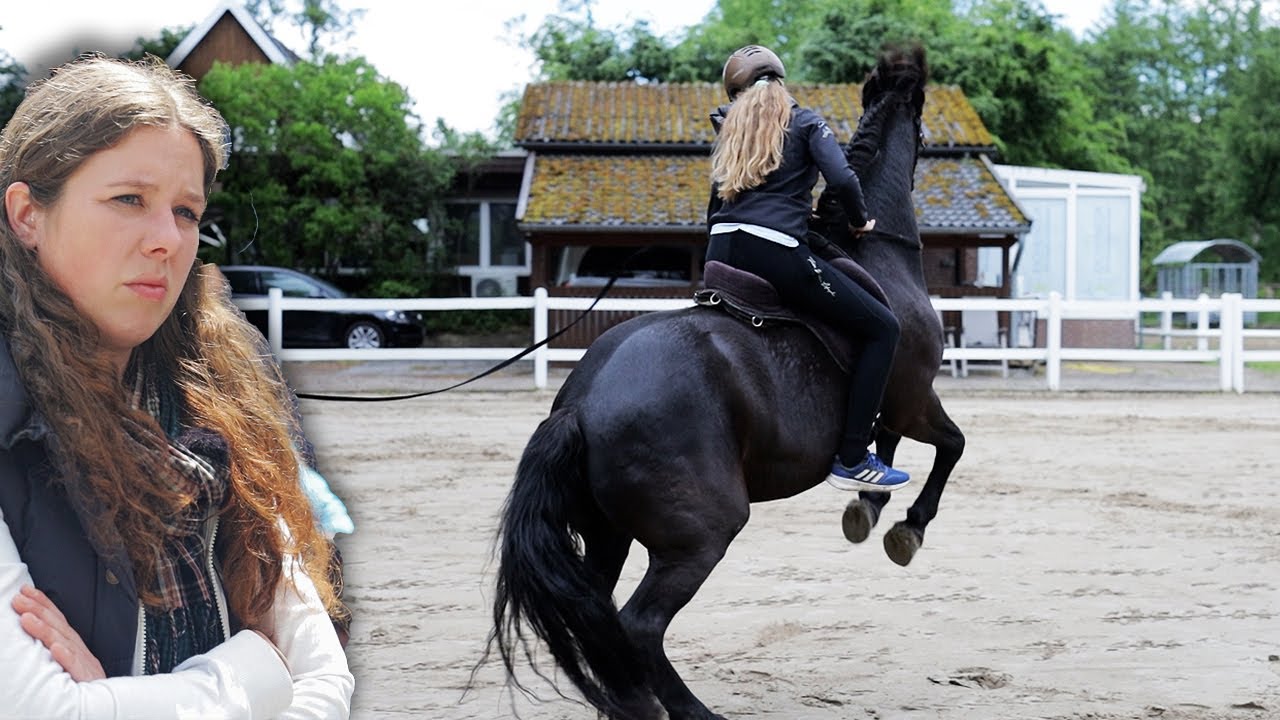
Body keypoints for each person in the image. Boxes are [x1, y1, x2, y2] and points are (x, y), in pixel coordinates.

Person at [0, 55, 353, 717]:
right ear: (27, 215)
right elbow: (45, 713)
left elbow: (326, 685)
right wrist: (251, 671)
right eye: (128, 200)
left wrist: (115, 698)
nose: (166, 240)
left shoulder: (221, 404)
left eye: (187, 212)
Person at [705, 45, 910, 492]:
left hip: (719, 253)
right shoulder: (805, 121)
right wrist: (859, 220)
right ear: (780, 80)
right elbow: (842, 180)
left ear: (736, 93)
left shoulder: (728, 132)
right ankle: (854, 457)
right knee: (882, 329)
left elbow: (713, 207)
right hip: (775, 252)